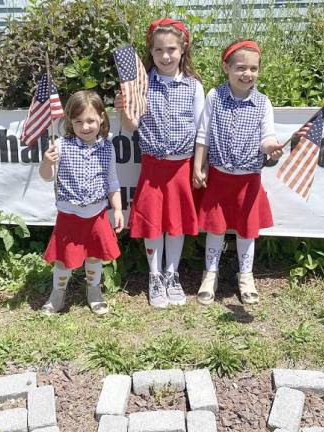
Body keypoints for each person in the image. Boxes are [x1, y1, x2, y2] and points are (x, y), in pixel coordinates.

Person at [115, 18, 205, 308]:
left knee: (176, 224)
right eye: (158, 51)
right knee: (153, 223)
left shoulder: (193, 86)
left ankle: (171, 273)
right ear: (150, 53)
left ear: (183, 49)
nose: (165, 56)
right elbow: (130, 127)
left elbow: (201, 130)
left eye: (171, 50)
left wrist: (198, 166)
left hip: (181, 166)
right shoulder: (142, 85)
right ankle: (154, 277)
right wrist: (124, 110)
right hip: (153, 166)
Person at [192, 39, 289, 305]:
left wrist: (272, 148)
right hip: (220, 177)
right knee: (216, 228)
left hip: (248, 180)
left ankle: (246, 276)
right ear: (227, 68)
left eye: (253, 69)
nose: (247, 74)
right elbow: (204, 135)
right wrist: (198, 165)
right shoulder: (215, 96)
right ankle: (209, 274)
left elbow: (267, 136)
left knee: (247, 230)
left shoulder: (262, 102)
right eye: (241, 68)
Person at [39, 90, 124, 315]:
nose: (85, 127)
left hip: (96, 214)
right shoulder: (61, 145)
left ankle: (94, 290)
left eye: (90, 121)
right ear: (69, 122)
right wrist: (47, 162)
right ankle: (57, 293)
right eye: (78, 122)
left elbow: (112, 180)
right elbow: (46, 176)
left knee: (94, 255)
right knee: (64, 259)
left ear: (101, 119)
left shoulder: (107, 146)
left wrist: (117, 208)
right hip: (69, 214)